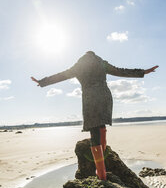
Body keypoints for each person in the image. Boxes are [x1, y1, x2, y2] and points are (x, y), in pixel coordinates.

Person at [31, 51, 159, 181]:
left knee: (94, 132)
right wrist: (143, 72)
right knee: (101, 126)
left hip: (90, 99)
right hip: (104, 96)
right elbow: (121, 71)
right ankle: (102, 167)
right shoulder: (101, 63)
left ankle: (101, 172)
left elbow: (61, 76)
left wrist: (42, 82)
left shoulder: (79, 66)